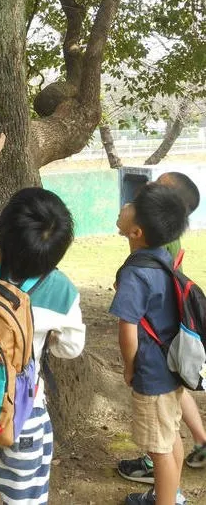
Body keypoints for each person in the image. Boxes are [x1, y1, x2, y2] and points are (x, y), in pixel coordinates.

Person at [0, 115, 86, 504]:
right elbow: (71, 349)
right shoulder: (62, 291)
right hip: (25, 414)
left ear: (4, 230)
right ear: (57, 251)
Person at [117, 172, 205, 487]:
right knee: (168, 440)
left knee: (160, 448)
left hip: (151, 370)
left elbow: (127, 330)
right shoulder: (162, 256)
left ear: (138, 230)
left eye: (135, 204)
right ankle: (170, 494)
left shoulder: (135, 273)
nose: (130, 201)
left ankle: (166, 496)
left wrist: (129, 367)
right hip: (168, 363)